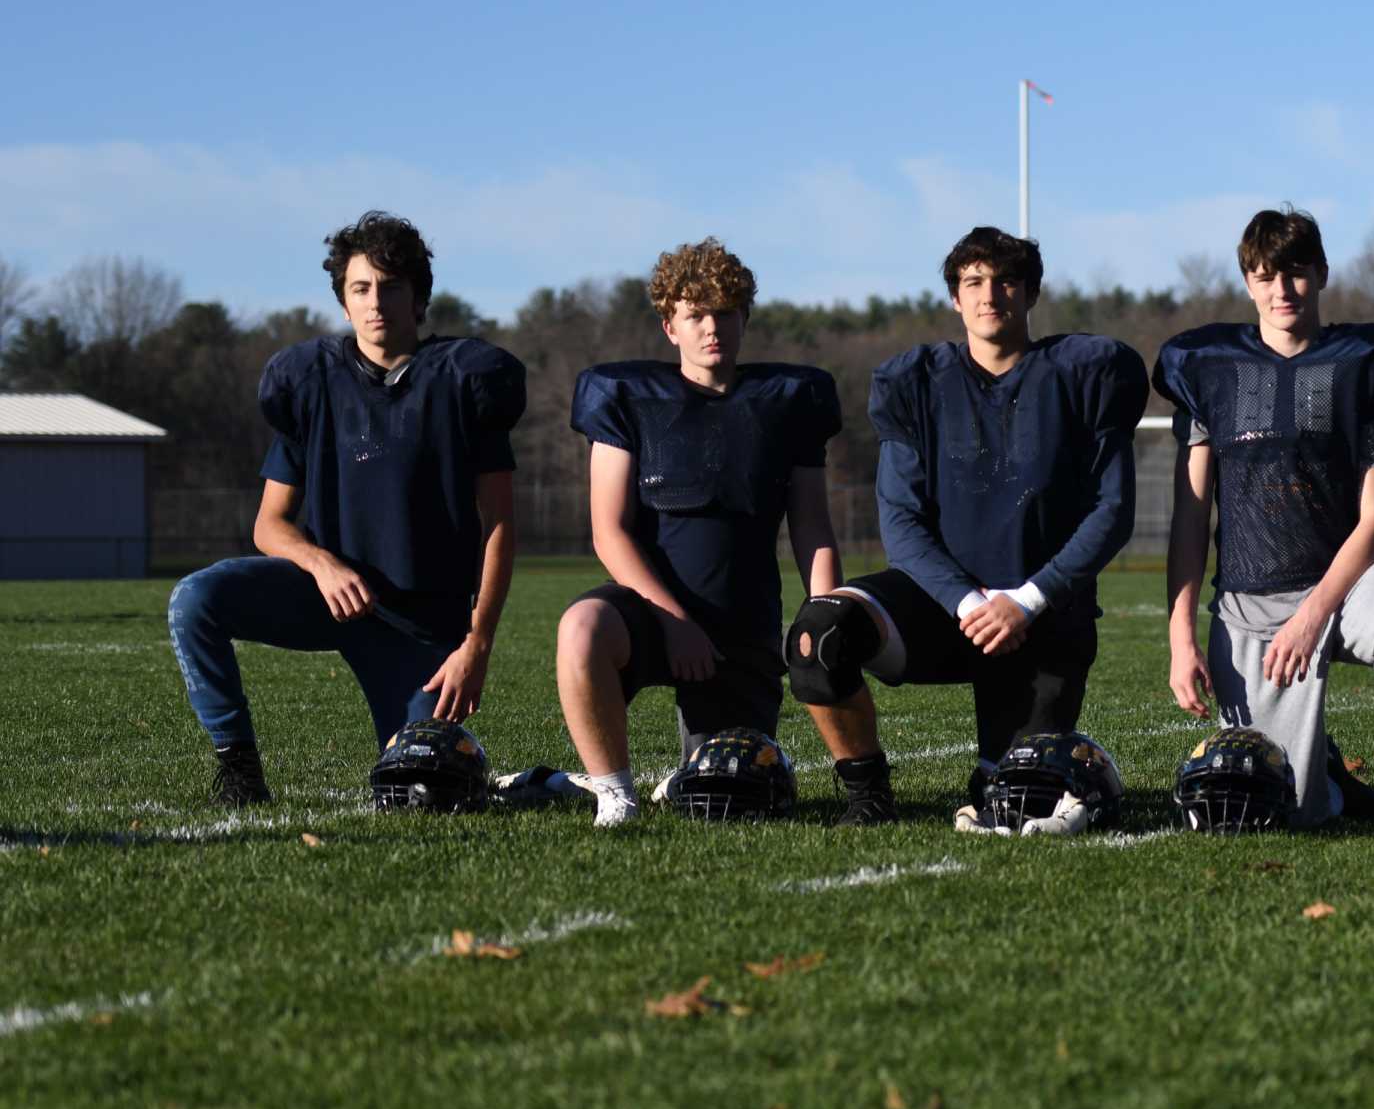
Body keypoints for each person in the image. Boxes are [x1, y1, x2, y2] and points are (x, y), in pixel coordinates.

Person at [784, 226, 1148, 825]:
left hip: (1043, 615)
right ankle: (868, 792)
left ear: (1031, 293)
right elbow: (901, 519)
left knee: (1014, 798)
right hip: (941, 606)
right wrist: (967, 601)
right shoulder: (917, 383)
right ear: (955, 297)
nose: (990, 294)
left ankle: (1017, 769)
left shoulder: (1085, 373)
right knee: (818, 634)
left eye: (1006, 281)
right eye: (973, 282)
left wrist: (1026, 601)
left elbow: (1112, 511)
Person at [168, 211, 525, 805]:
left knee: (423, 789)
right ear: (343, 302)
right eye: (361, 288)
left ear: (419, 299)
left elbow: (500, 525)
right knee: (194, 599)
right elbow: (269, 525)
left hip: (419, 620)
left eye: (391, 286)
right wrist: (321, 564)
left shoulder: (462, 380)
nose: (375, 302)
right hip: (328, 597)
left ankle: (535, 785)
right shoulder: (311, 383)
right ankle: (240, 772)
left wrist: (477, 642)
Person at [1155, 207, 1374, 833]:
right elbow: (1191, 516)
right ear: (1247, 283)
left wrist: (1312, 616)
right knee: (1279, 806)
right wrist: (1181, 637)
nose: (1281, 290)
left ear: (1321, 274)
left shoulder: (1369, 364)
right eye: (1265, 276)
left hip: (1354, 581)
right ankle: (1330, 774)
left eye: (1295, 274)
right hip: (1251, 599)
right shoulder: (1209, 369)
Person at [555, 238, 844, 828]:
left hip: (741, 622)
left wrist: (826, 614)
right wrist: (674, 622)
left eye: (725, 313)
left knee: (728, 791)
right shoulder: (628, 399)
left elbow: (812, 526)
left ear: (745, 319)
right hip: (647, 612)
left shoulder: (788, 403)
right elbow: (609, 532)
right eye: (695, 315)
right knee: (581, 628)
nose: (712, 328)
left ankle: (679, 776)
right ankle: (615, 793)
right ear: (670, 327)